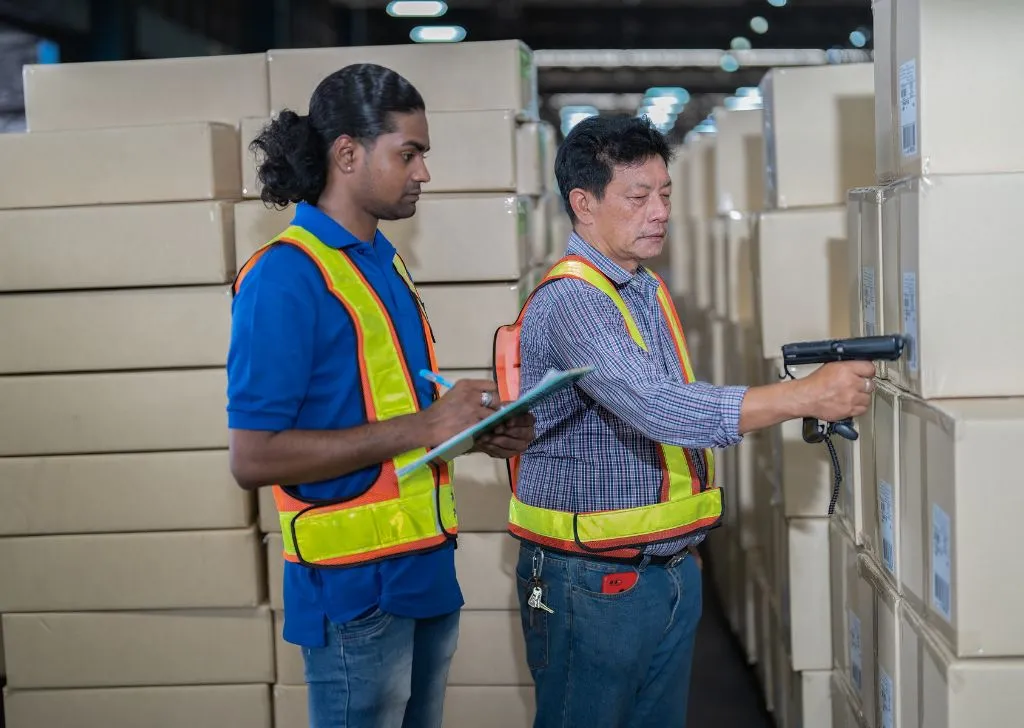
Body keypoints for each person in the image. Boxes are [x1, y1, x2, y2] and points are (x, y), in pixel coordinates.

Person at [493, 115, 875, 728]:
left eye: (665, 193)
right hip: (591, 581)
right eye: (638, 197)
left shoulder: (639, 287)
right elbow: (661, 409)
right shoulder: (574, 300)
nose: (660, 211)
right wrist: (799, 397)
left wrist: (679, 550)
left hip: (659, 569)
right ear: (583, 205)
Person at [227, 63, 535, 728]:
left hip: (423, 575)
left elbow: (389, 411)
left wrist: (471, 428)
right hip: (353, 597)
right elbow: (253, 458)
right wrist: (426, 427)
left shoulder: (383, 261)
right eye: (409, 153)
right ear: (347, 153)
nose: (423, 172)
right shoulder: (285, 277)